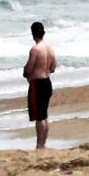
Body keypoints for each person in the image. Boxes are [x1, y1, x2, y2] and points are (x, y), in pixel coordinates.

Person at [22, 21, 56, 149]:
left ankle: (39, 144)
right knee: (44, 115)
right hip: (47, 82)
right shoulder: (50, 48)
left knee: (39, 117)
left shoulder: (35, 49)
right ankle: (43, 143)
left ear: (33, 34)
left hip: (37, 84)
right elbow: (53, 68)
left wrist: (25, 71)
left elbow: (28, 69)